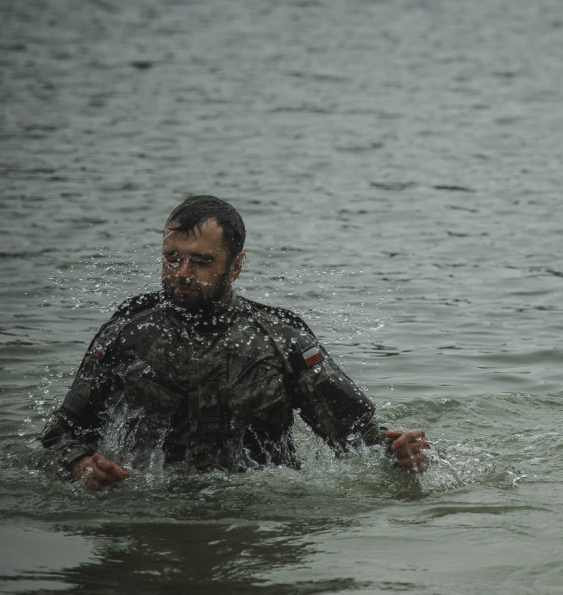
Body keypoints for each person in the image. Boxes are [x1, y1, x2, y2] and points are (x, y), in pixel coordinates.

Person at [42, 195, 431, 489]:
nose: (182, 273)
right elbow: (60, 435)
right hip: (148, 500)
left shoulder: (281, 338)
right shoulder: (128, 332)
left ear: (237, 265)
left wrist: (398, 452)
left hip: (257, 509)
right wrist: (81, 464)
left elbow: (355, 437)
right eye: (172, 258)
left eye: (202, 261)